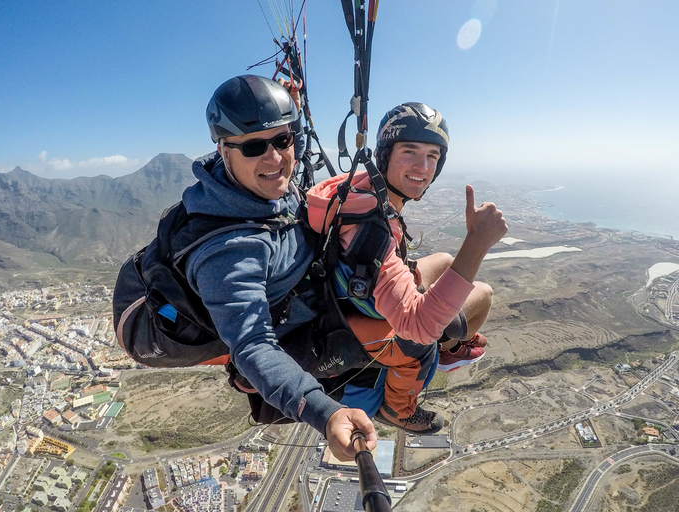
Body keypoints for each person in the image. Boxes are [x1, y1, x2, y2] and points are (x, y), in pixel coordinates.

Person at [182, 74, 375, 461]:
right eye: (253, 146)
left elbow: (291, 151)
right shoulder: (228, 251)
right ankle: (398, 405)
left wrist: (292, 109)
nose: (274, 158)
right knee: (397, 328)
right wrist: (324, 413)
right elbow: (253, 344)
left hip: (314, 294)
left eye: (281, 140)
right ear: (223, 150)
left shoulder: (261, 183)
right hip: (296, 335)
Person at [306, 102, 508, 434]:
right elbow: (416, 326)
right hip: (346, 323)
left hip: (345, 292)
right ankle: (398, 409)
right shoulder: (370, 230)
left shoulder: (361, 188)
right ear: (385, 155)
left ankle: (452, 345)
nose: (422, 166)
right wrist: (477, 242)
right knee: (481, 296)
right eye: (410, 151)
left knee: (443, 261)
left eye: (432, 156)